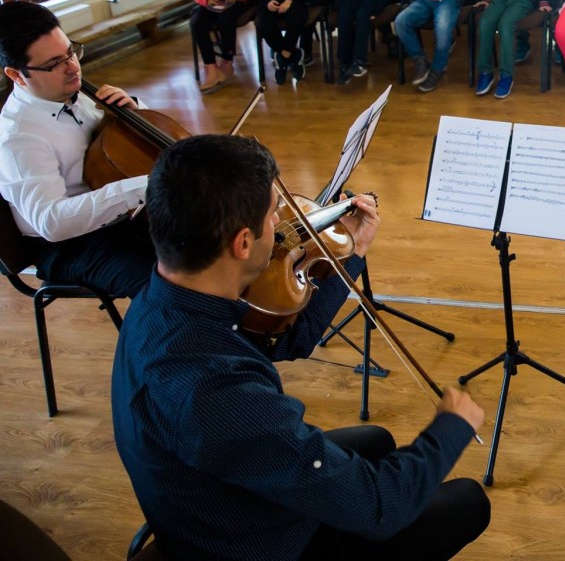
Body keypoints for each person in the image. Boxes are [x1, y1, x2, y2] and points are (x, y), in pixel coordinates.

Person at [111, 134, 489, 561]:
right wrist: (450, 429)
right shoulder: (215, 393)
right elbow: (378, 508)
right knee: (467, 501)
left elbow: (293, 339)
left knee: (377, 440)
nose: (289, 225)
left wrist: (353, 252)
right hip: (258, 542)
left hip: (209, 491)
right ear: (242, 244)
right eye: (275, 216)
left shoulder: (162, 297)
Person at [0, 1, 156, 300]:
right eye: (53, 64)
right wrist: (142, 188)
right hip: (71, 245)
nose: (72, 68)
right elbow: (52, 222)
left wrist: (135, 114)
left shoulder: (75, 93)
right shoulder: (17, 139)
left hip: (123, 218)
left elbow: (118, 151)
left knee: (208, 249)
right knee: (168, 287)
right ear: (17, 75)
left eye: (71, 52)